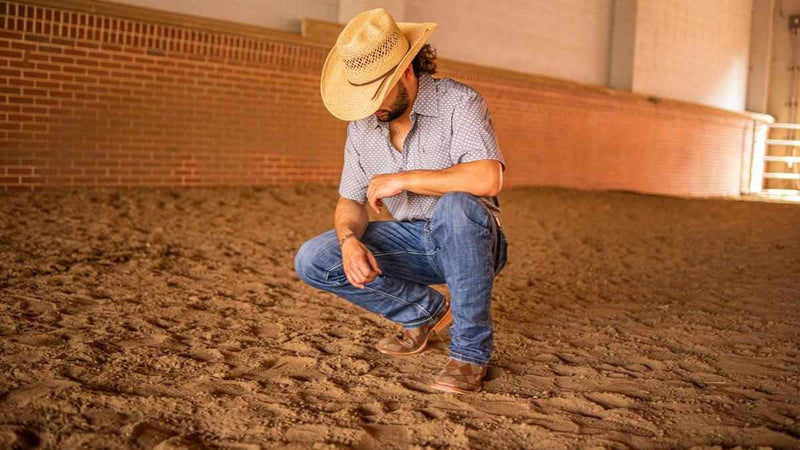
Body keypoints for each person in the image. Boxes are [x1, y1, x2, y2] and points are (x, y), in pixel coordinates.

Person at [294, 8, 508, 394]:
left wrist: (405, 179)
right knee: (313, 258)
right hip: (414, 241)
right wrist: (349, 241)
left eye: (377, 93)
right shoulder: (362, 126)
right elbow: (350, 202)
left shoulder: (459, 103)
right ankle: (422, 312)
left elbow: (488, 177)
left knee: (456, 206)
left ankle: (469, 355)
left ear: (406, 71)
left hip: (473, 238)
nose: (370, 107)